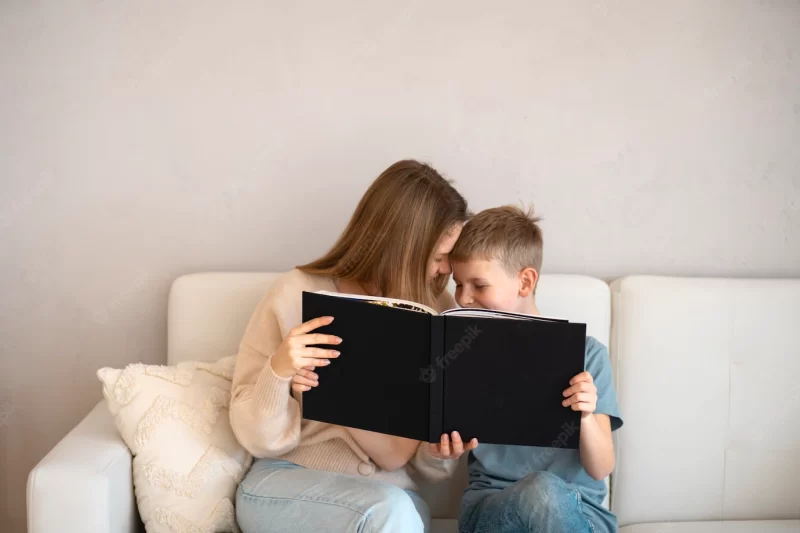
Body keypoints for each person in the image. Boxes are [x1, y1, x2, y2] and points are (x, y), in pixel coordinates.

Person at [231, 160, 478, 533]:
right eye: (439, 257)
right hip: (288, 482)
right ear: (404, 247)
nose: (446, 270)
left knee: (395, 511)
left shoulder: (438, 310)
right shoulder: (294, 293)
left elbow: (417, 465)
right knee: (389, 512)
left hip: (393, 497)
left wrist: (438, 452)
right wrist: (278, 371)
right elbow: (257, 438)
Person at [450, 205, 624, 533]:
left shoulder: (587, 355)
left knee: (543, 491)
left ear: (525, 282)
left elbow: (601, 469)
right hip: (491, 509)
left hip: (578, 513)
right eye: (458, 284)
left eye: (479, 285)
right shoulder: (460, 352)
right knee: (537, 491)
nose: (463, 298)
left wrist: (585, 416)